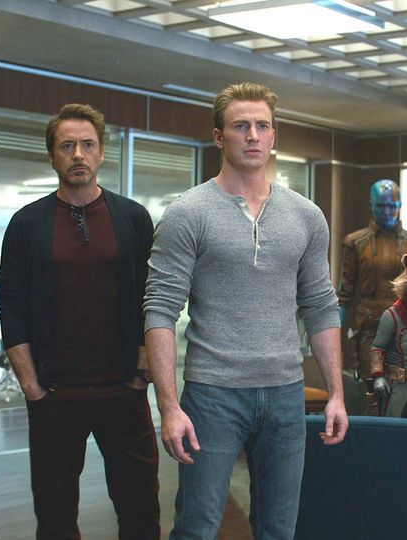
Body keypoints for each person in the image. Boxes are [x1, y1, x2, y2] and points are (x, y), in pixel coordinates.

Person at [144, 82, 349, 540]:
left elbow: (320, 306)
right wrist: (168, 406)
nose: (253, 135)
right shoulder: (187, 213)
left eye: (262, 126)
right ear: (219, 137)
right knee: (196, 528)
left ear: (274, 135)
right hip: (213, 394)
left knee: (279, 529)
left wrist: (336, 393)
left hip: (286, 394)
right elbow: (159, 310)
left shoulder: (306, 216)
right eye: (241, 126)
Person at [0, 103, 159, 539]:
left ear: (101, 153)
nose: (78, 155)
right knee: (55, 517)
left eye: (87, 145)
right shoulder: (27, 224)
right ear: (52, 156)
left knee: (140, 510)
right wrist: (30, 384)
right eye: (67, 146)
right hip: (54, 393)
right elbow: (11, 306)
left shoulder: (132, 219)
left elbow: (152, 298)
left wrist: (142, 370)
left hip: (123, 390)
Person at [338, 179, 407, 379]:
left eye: (392, 206)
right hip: (370, 328)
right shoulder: (355, 242)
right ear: (371, 205)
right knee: (372, 386)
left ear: (399, 206)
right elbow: (344, 295)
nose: (387, 211)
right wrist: (334, 334)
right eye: (381, 206)